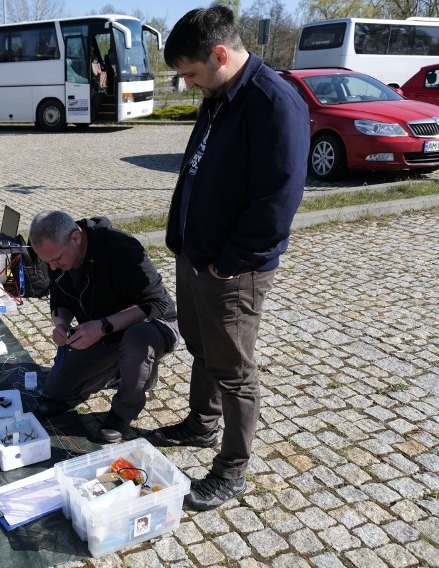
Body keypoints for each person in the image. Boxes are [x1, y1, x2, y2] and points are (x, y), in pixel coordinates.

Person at [149, 6, 310, 511]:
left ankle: (232, 469)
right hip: (195, 256)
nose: (191, 84)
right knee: (202, 348)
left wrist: (229, 263)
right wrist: (183, 240)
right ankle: (201, 423)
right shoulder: (219, 96)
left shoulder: (273, 103)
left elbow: (277, 201)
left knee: (234, 369)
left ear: (220, 54)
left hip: (232, 269)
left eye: (192, 73)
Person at [29, 211, 179, 444]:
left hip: (154, 325)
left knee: (136, 341)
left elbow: (157, 304)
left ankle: (122, 413)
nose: (53, 267)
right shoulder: (55, 256)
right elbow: (60, 302)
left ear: (76, 238)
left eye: (56, 259)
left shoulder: (121, 248)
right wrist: (61, 324)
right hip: (105, 329)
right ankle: (121, 369)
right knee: (57, 390)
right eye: (47, 262)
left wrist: (103, 326)